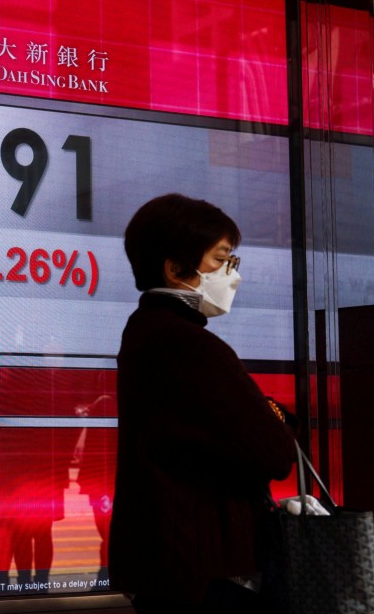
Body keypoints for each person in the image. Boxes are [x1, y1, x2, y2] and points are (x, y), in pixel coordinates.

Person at [109, 194, 298, 613]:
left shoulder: (145, 332)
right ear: (176, 270)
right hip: (205, 568)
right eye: (221, 260)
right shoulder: (190, 344)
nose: (232, 275)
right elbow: (274, 451)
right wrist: (277, 415)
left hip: (165, 562)